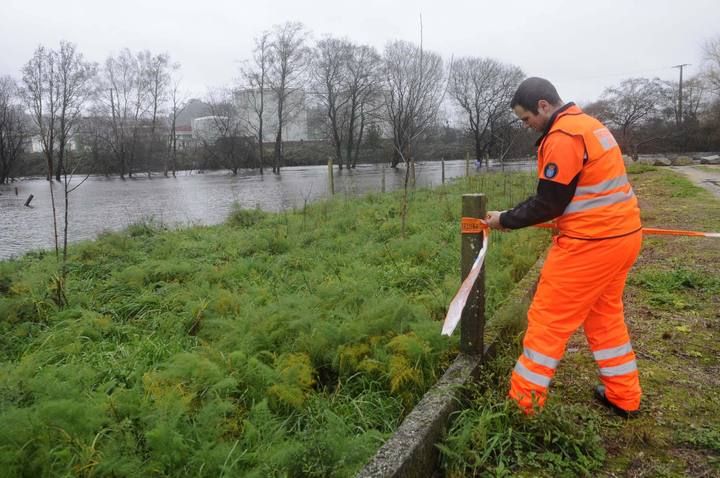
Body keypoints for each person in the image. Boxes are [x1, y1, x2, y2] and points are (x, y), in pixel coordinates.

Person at [484, 77, 642, 417]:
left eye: (527, 119)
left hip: (590, 245)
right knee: (605, 318)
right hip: (624, 237)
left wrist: (504, 219)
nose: (527, 127)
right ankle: (624, 396)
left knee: (547, 321)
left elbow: (549, 203)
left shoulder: (563, 137)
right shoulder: (590, 126)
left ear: (543, 105)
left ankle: (522, 406)